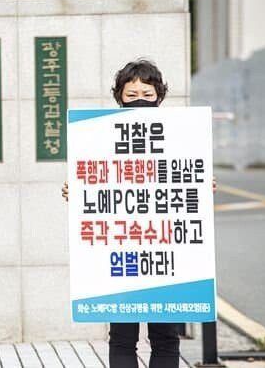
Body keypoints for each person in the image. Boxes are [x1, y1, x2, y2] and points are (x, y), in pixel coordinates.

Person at [61, 59, 216, 368]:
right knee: (121, 338)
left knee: (166, 337)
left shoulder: (178, 136)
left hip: (164, 251)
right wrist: (77, 192)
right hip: (122, 252)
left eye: (147, 93)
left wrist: (201, 186)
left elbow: (186, 178)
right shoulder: (101, 137)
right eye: (131, 95)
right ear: (119, 97)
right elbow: (96, 182)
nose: (140, 100)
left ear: (160, 96)